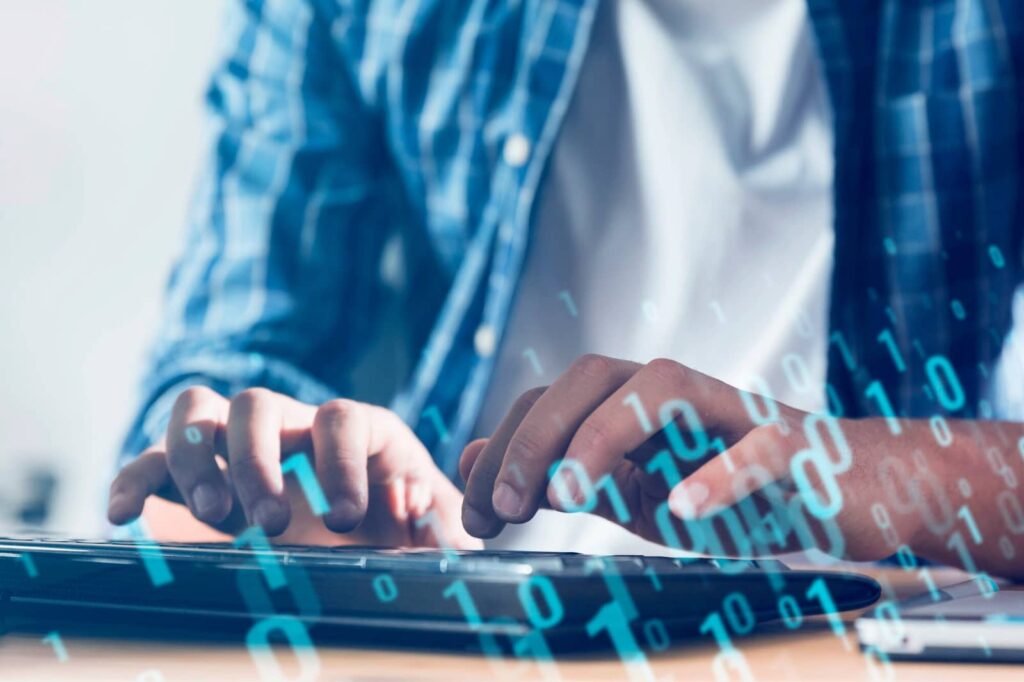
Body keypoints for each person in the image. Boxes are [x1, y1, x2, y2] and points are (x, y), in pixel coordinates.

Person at [107, 0, 1024, 578]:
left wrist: (888, 471)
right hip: (447, 620)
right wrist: (291, 497)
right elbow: (203, 393)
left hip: (860, 635)